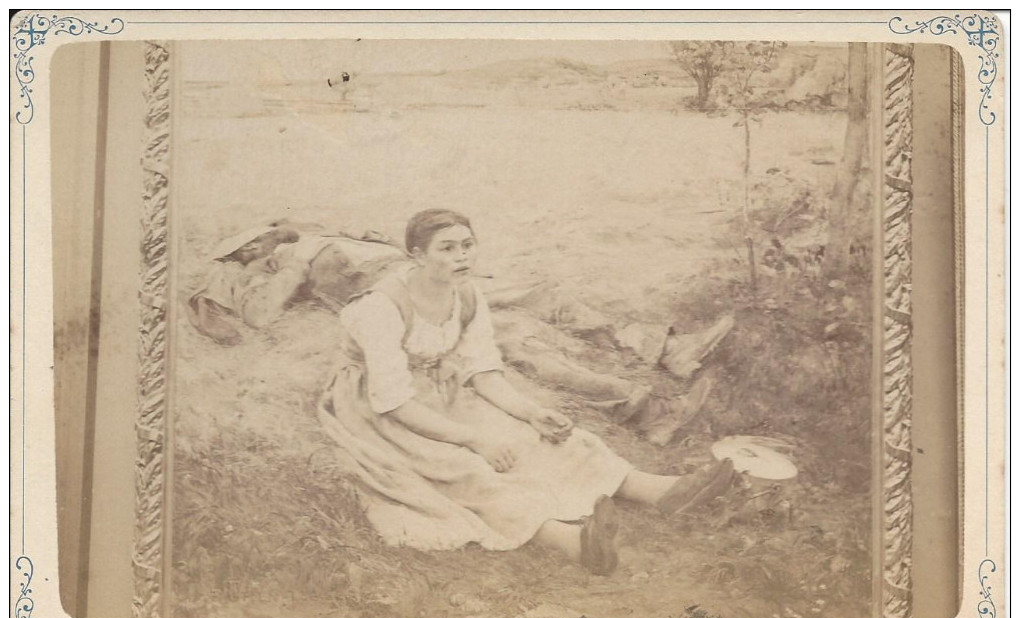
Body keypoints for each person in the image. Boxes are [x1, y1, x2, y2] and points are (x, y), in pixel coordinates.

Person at [316, 209, 733, 574]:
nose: (461, 256)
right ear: (416, 255)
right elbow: (393, 399)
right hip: (382, 408)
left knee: (533, 437)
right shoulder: (381, 307)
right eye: (446, 248)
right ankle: (570, 542)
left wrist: (529, 412)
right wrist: (472, 438)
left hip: (439, 389)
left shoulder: (467, 293)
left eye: (467, 245)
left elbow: (482, 370)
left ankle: (655, 489)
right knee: (459, 465)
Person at [187, 219, 734, 445]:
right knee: (518, 333)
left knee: (536, 302)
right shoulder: (292, 258)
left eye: (253, 247)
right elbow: (261, 317)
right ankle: (650, 402)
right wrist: (244, 281)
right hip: (414, 292)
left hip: (427, 277)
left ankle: (662, 354)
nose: (258, 250)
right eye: (249, 251)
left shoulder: (323, 238)